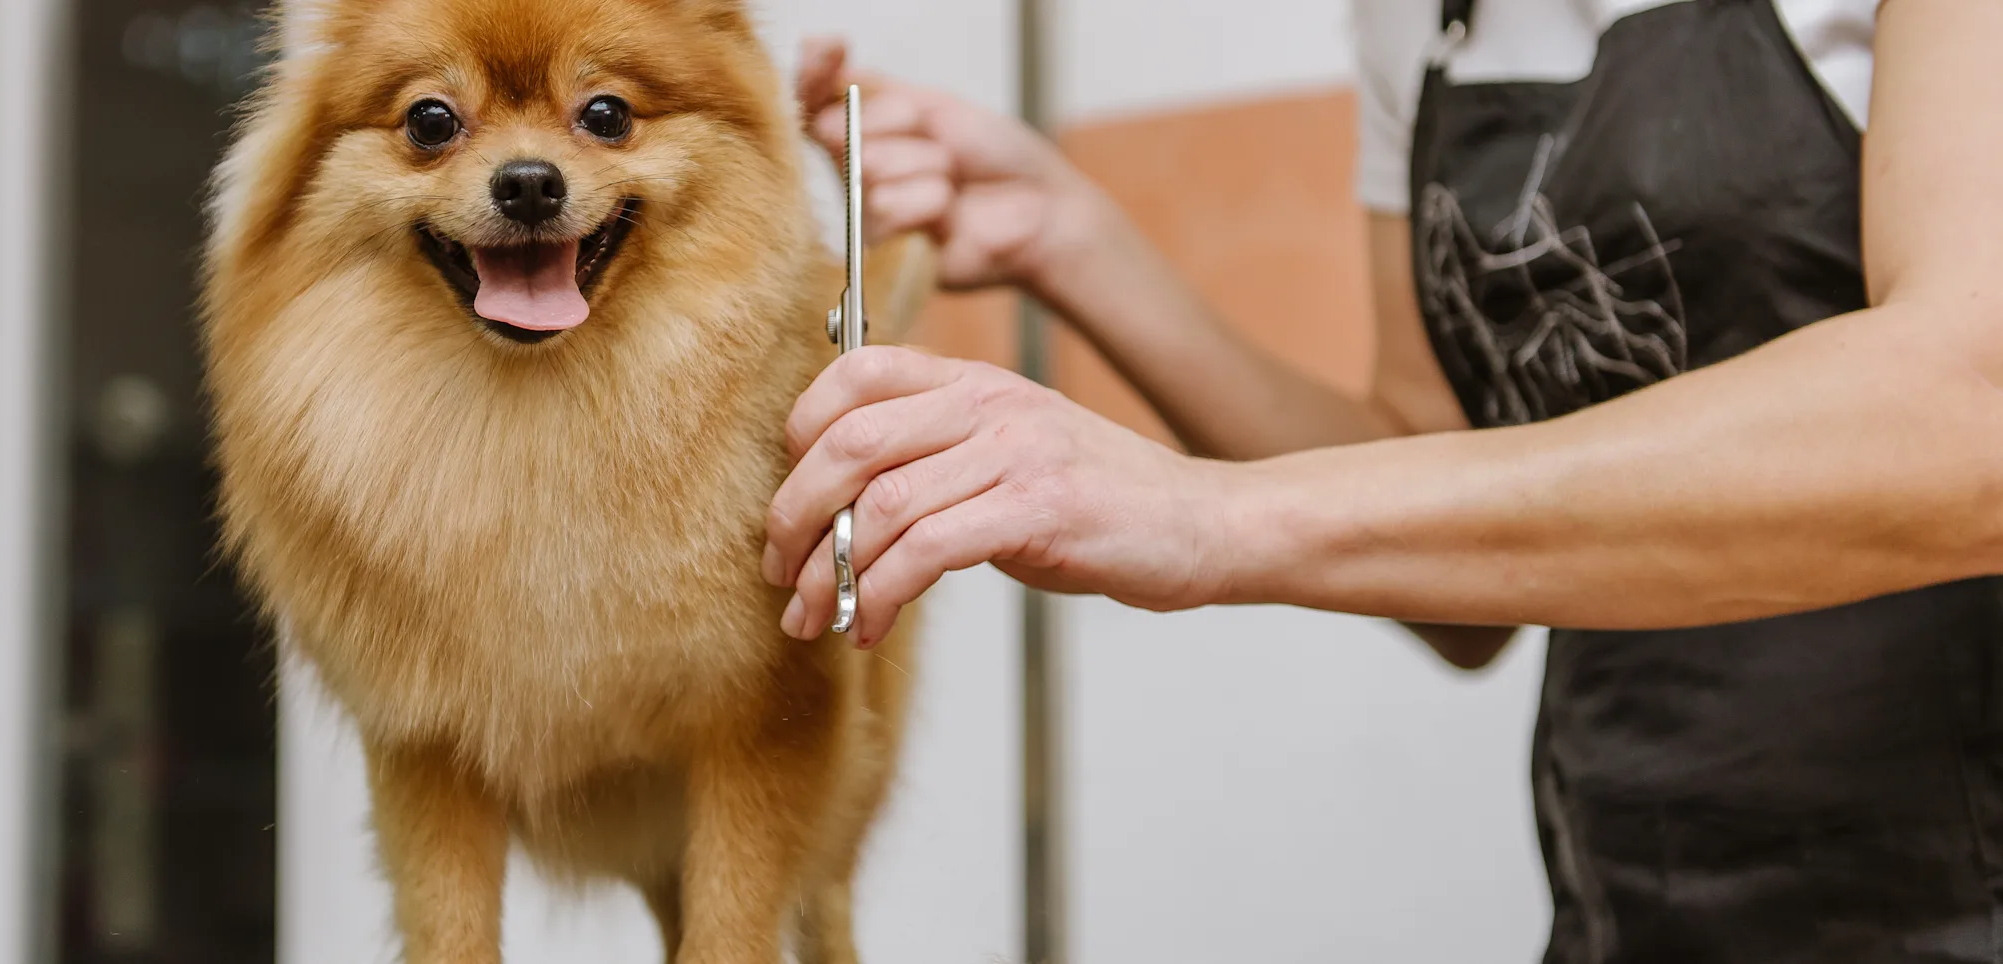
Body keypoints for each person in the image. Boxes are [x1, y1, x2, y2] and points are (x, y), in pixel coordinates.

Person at [765, 0, 2003, 958]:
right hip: (1632, 887)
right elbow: (1447, 542)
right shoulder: (1416, 21)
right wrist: (1069, 237)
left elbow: (1968, 413)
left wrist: (1208, 515)